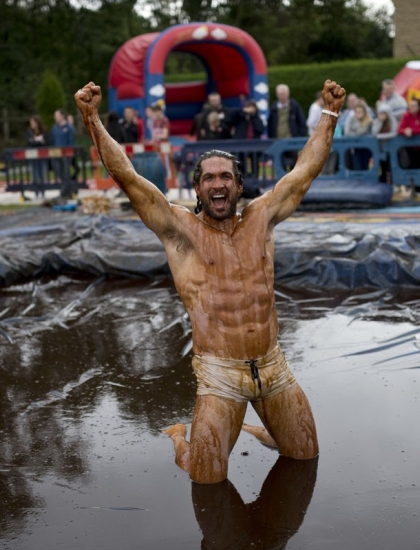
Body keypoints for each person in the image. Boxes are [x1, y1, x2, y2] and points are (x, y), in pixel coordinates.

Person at [74, 78, 345, 484]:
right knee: (205, 479)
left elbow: (304, 171)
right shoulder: (180, 231)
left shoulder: (261, 218)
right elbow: (129, 178)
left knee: (306, 456)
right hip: (220, 374)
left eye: (226, 177)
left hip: (272, 366)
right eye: (209, 178)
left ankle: (254, 428)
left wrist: (329, 113)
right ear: (198, 188)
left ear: (238, 184)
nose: (218, 184)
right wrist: (92, 119)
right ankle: (180, 438)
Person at [397, 98, 420, 180]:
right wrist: (405, 131)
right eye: (410, 106)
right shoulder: (406, 115)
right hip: (410, 146)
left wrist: (412, 131)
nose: (411, 108)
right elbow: (400, 129)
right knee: (410, 165)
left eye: (414, 106)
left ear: (419, 107)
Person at [51, 109, 76, 198]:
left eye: (57, 115)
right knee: (59, 172)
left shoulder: (69, 127)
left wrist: (71, 152)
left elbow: (71, 140)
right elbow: (53, 141)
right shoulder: (55, 128)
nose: (55, 117)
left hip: (66, 153)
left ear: (62, 116)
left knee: (66, 172)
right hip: (57, 153)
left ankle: (67, 191)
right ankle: (65, 190)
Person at [343, 101, 373, 171]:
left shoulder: (368, 120)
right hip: (355, 147)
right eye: (356, 112)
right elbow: (347, 132)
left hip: (366, 147)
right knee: (356, 167)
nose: (358, 113)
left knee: (365, 167)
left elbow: (361, 132)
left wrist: (354, 130)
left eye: (360, 112)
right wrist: (355, 132)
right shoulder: (350, 119)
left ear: (364, 112)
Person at [372, 104, 398, 184]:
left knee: (390, 167)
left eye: (384, 113)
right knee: (382, 167)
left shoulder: (392, 120)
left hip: (391, 149)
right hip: (380, 149)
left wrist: (380, 136)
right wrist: (380, 122)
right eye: (381, 113)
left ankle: (393, 183)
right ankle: (383, 183)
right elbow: (374, 133)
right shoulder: (377, 121)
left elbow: (394, 133)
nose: (382, 115)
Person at [27, 116, 48, 199]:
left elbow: (45, 142)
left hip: (42, 156)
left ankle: (43, 192)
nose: (32, 125)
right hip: (33, 156)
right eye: (31, 123)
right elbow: (30, 143)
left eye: (33, 123)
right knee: (35, 175)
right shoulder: (29, 132)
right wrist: (39, 141)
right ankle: (36, 192)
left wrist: (37, 141)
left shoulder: (43, 131)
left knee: (43, 174)